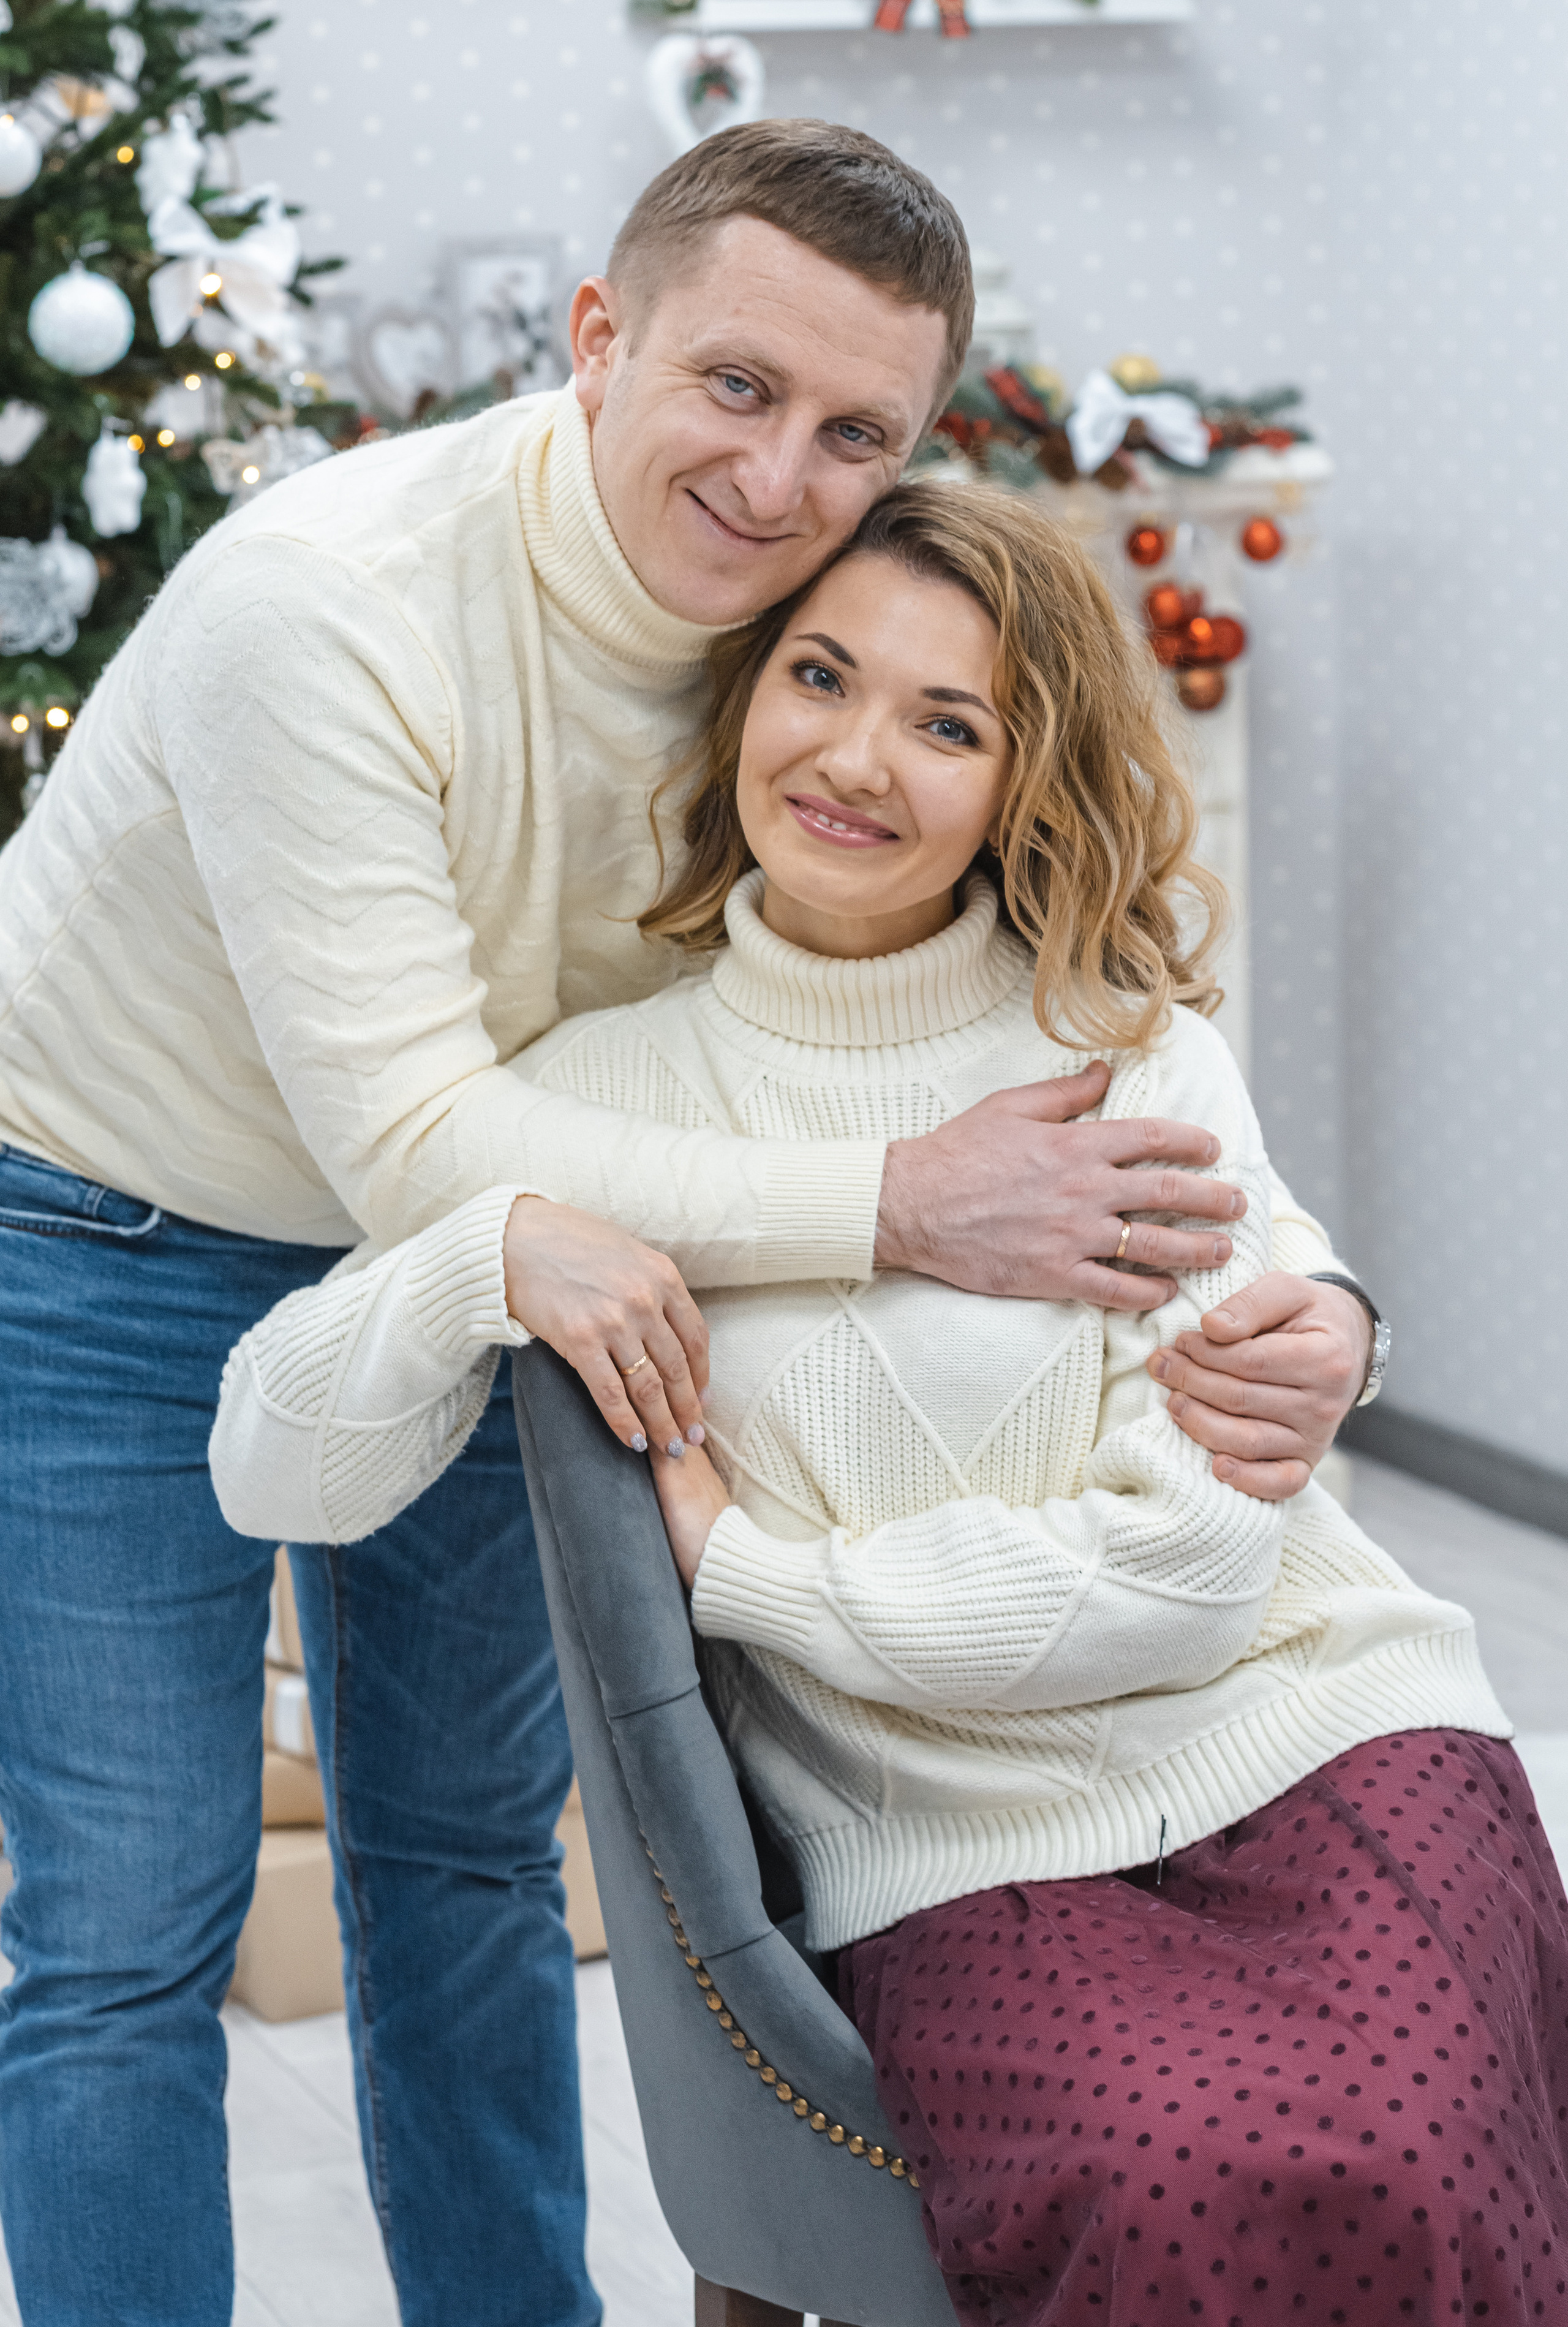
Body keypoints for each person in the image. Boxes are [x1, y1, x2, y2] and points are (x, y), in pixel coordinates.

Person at [0, 123, 1371, 2324]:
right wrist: (909, 1205)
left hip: (528, 1225)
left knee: (464, 1864)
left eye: (858, 432)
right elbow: (419, 1141)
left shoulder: (804, 645)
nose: (777, 476)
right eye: (735, 386)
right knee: (123, 1924)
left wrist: (1318, 1299)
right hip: (112, 1228)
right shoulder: (325, 605)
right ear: (599, 338)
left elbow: (1028, 1019)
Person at [210, 479, 1557, 2327]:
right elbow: (267, 1455)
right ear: (746, 693)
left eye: (948, 722)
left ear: (1027, 777)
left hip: (1324, 1736)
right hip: (950, 1842)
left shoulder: (1122, 1048)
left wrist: (756, 1574)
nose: (855, 756)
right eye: (820, 676)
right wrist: (485, 1254)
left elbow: (1189, 1578)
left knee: (1412, 2157)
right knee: (1177, 2175)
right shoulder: (613, 1094)